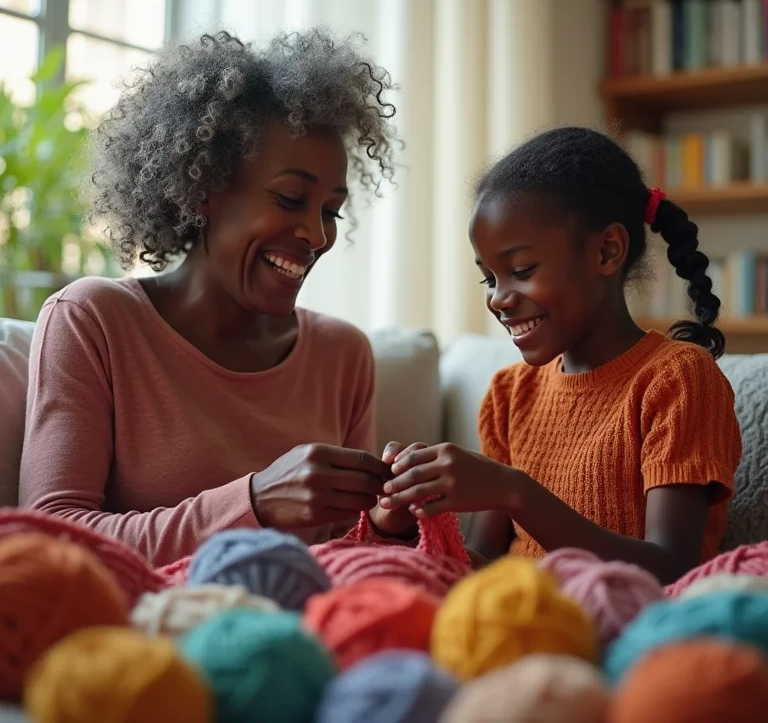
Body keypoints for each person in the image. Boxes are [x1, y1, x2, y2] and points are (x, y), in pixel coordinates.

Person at [19, 29, 416, 566]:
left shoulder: (342, 355)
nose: (318, 236)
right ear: (204, 188)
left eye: (330, 210)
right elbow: (49, 541)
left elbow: (347, 562)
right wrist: (252, 501)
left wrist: (388, 526)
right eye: (291, 198)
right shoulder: (94, 321)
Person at [378, 127, 742, 585]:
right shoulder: (510, 393)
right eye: (489, 278)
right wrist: (410, 519)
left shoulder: (678, 380)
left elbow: (671, 570)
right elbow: (482, 563)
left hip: (625, 630)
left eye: (521, 271)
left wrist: (515, 491)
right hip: (520, 621)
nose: (497, 299)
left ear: (607, 251)